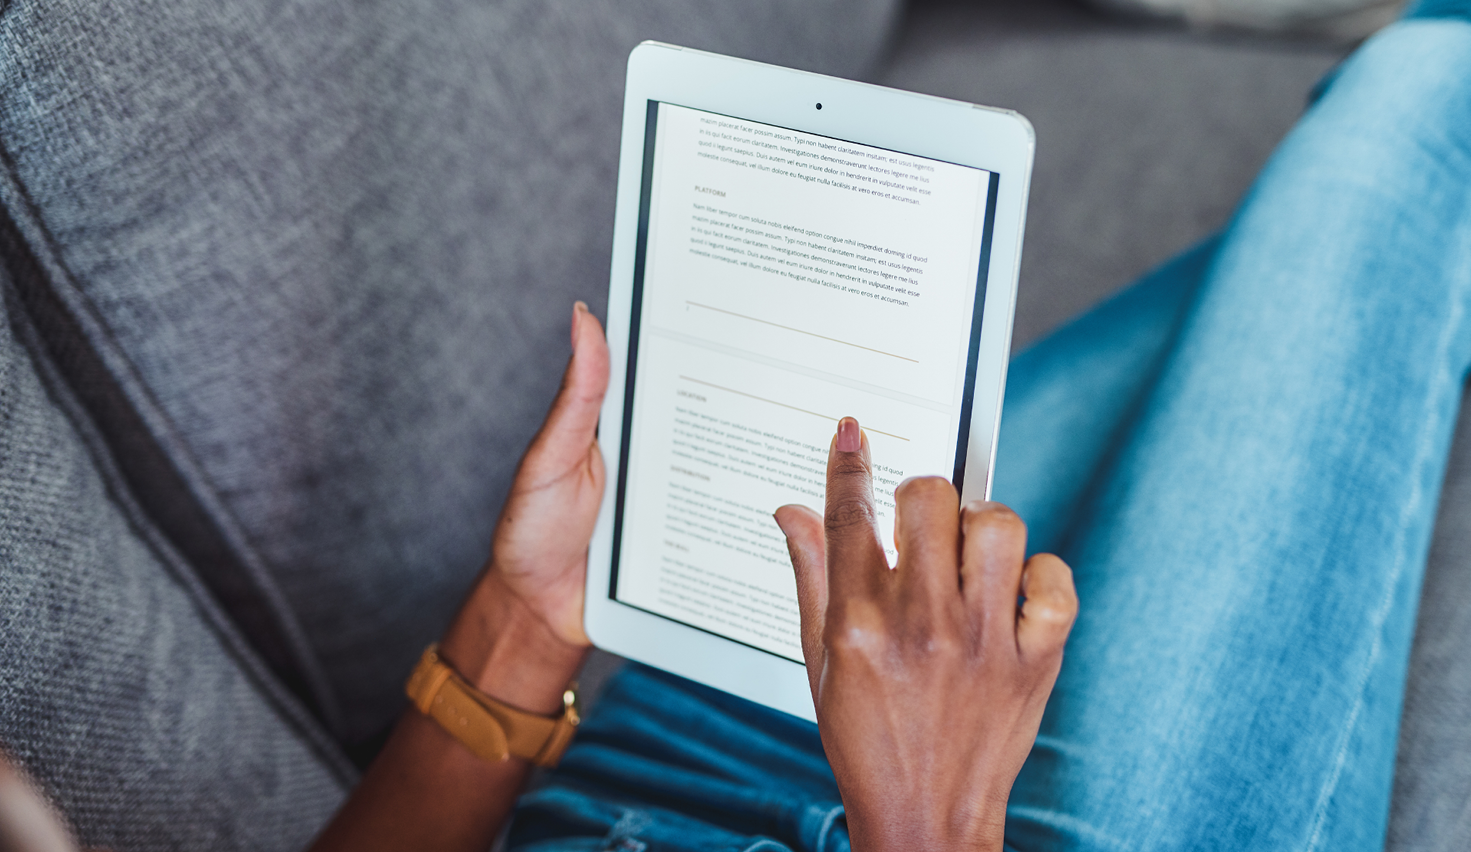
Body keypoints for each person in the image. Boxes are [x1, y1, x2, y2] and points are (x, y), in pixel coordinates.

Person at [2, 4, 1465, 852]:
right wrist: (930, 809)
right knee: (1413, 109)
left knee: (1329, 234)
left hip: (622, 787)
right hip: (950, 821)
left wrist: (526, 621)